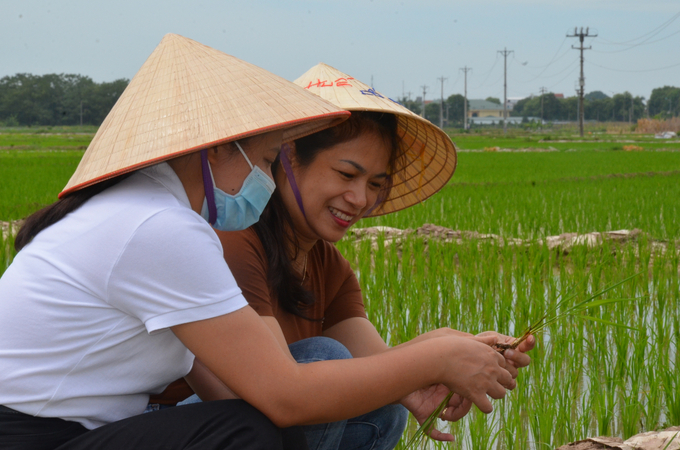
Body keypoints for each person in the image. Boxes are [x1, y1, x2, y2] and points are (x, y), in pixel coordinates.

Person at [154, 64, 535, 450]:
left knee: (385, 405)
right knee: (325, 359)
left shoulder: (328, 264)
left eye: (374, 184)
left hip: (252, 418)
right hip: (175, 427)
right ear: (286, 160)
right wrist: (437, 358)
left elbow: (377, 366)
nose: (360, 199)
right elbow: (275, 395)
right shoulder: (232, 241)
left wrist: (455, 348)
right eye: (346, 174)